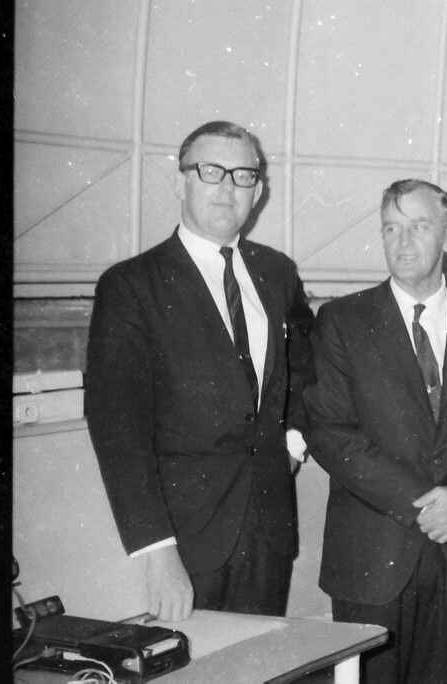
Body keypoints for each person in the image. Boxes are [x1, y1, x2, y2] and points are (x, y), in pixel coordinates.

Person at [303, 179, 447, 684]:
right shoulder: (341, 320)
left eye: (419, 227)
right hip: (370, 558)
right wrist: (426, 504)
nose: (403, 242)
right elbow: (330, 432)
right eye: (391, 228)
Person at [85, 121, 313, 621]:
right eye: (211, 171)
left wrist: (294, 439)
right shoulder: (130, 286)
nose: (228, 187)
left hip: (269, 526)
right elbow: (117, 430)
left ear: (259, 191)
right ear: (180, 181)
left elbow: (306, 362)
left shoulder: (277, 273)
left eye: (243, 175)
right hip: (185, 540)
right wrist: (157, 552)